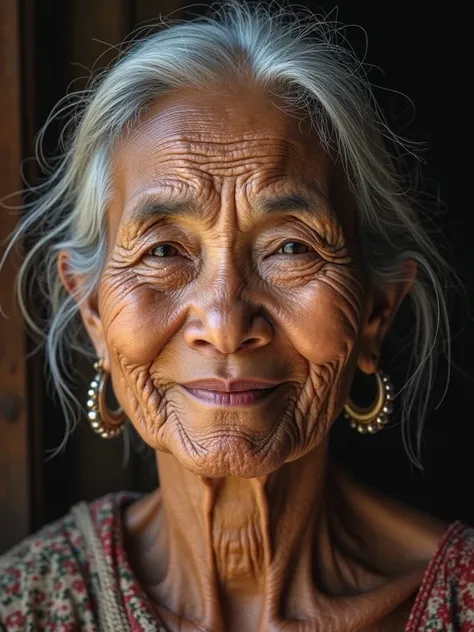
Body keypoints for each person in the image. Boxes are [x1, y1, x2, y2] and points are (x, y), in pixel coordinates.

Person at [1, 2, 472, 630]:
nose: (224, 322)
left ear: (377, 311)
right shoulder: (26, 604)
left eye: (291, 248)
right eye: (163, 250)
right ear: (92, 311)